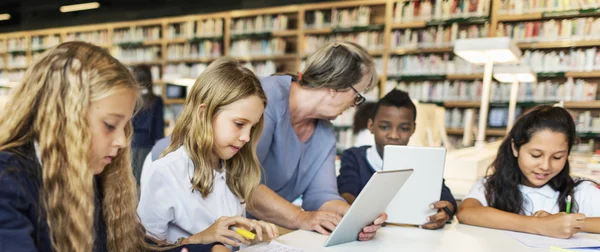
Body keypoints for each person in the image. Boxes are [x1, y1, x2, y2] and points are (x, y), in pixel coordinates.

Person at [144, 41, 386, 241]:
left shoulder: (324, 132)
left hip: (229, 219)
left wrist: (355, 217)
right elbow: (243, 180)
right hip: (187, 179)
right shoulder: (263, 98)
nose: (354, 106)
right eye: (357, 96)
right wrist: (301, 218)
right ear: (337, 87)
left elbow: (322, 195)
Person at [0, 42, 224, 251]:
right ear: (62, 118)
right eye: (109, 125)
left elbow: (133, 247)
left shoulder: (92, 173)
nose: (122, 141)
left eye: (125, 127)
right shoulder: (8, 181)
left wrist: (200, 244)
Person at [138, 57, 279, 248]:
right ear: (204, 114)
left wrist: (248, 232)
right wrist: (199, 239)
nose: (246, 137)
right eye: (239, 124)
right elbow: (147, 248)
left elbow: (228, 235)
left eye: (252, 128)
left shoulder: (234, 168)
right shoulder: (165, 172)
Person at [457, 105, 600, 238]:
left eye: (557, 157)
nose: (545, 166)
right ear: (515, 148)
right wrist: (540, 225)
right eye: (536, 155)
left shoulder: (581, 190)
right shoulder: (491, 186)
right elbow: (466, 212)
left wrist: (569, 223)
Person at [337, 89, 457, 230]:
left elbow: (448, 200)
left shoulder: (423, 161)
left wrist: (445, 213)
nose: (394, 135)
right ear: (371, 126)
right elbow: (345, 194)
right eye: (384, 127)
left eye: (404, 128)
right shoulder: (354, 157)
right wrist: (364, 214)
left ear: (413, 129)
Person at [131, 65, 164, 185]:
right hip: (149, 146)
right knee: (146, 179)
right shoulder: (156, 100)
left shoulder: (131, 99)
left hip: (132, 144)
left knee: (132, 180)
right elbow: (159, 129)